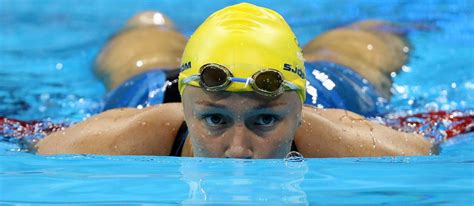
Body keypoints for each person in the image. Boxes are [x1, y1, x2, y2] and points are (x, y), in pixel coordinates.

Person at [31, 3, 433, 158]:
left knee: (365, 39)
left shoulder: (344, 140)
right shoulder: (138, 132)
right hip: (152, 87)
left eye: (265, 120)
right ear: (185, 108)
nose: (238, 151)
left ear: (297, 111)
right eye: (215, 120)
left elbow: (425, 151)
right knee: (145, 31)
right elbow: (37, 149)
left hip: (332, 86)